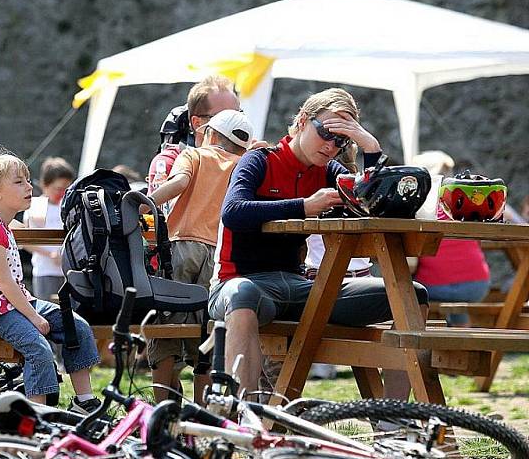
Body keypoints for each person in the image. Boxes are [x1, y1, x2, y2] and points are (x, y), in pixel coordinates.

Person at [209, 88, 428, 394]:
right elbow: (232, 212)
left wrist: (371, 148)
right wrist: (303, 206)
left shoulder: (328, 171)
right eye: (326, 132)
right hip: (238, 283)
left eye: (342, 141)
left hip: (298, 287)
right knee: (243, 295)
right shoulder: (259, 160)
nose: (332, 146)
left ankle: (391, 419)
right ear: (301, 121)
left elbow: (376, 205)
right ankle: (247, 419)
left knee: (411, 295)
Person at [0, 150, 101, 413]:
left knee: (77, 326)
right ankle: (38, 414)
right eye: (19, 182)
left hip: (15, 303)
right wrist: (35, 318)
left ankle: (84, 401)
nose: (29, 187)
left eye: (27, 180)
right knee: (38, 348)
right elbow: (5, 283)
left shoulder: (4, 224)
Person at [146, 109, 253, 404]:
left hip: (182, 246)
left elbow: (179, 183)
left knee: (165, 323)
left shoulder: (193, 155)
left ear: (212, 134)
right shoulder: (242, 164)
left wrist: (142, 206)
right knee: (208, 330)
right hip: (219, 253)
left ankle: (163, 405)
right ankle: (203, 409)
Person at [412, 151, 490, 327]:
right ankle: (460, 340)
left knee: (407, 288)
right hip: (477, 285)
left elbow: (412, 260)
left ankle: (421, 340)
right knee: (456, 304)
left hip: (435, 286)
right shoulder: (466, 203)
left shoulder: (421, 207)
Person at [147, 75, 241, 196]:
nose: (235, 123)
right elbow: (159, 210)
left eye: (238, 115)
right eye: (223, 117)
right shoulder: (170, 162)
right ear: (197, 123)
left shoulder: (248, 158)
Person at [23, 157, 74, 301]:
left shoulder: (69, 207)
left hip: (69, 272)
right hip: (45, 271)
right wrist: (50, 254)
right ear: (45, 185)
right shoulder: (36, 206)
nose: (63, 193)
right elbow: (27, 241)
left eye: (67, 189)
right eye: (58, 189)